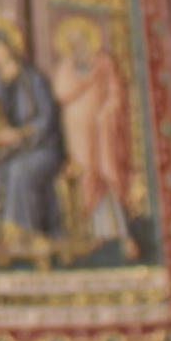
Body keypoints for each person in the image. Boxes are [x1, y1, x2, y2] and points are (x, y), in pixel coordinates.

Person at [0, 24, 65, 252]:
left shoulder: (33, 79)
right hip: (11, 149)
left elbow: (47, 119)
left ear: (8, 47)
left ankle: (26, 234)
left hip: (44, 147)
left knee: (19, 169)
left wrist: (21, 134)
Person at [50, 16, 136, 257]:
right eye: (72, 42)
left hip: (102, 131)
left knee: (107, 175)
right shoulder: (67, 66)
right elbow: (61, 93)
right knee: (85, 178)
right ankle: (94, 233)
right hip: (78, 135)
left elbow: (116, 92)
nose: (77, 45)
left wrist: (107, 112)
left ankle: (123, 235)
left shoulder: (104, 62)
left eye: (80, 40)